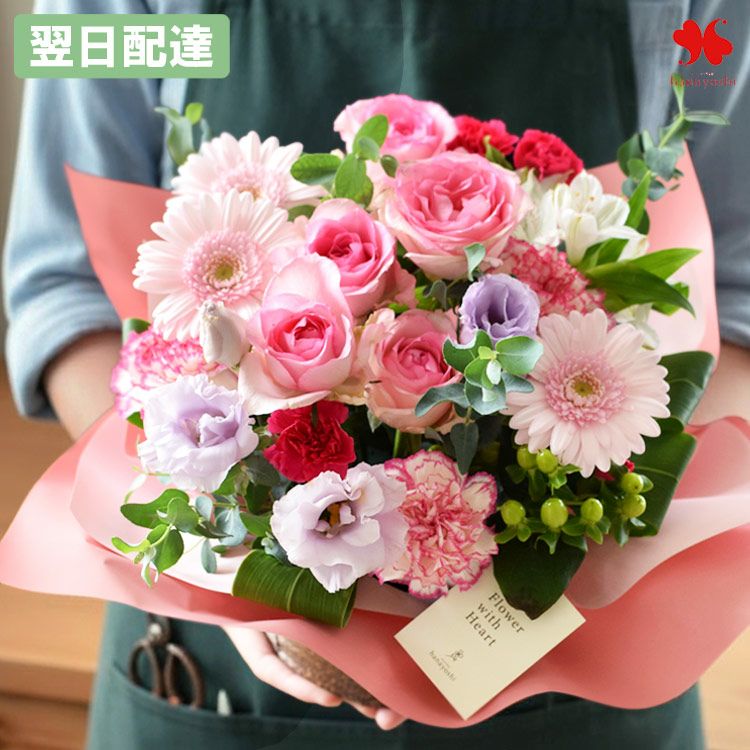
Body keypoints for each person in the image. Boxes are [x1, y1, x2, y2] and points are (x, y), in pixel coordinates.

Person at [4, 0, 749, 748]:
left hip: (572, 661)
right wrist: (221, 560)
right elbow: (60, 293)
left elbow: (739, 306)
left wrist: (584, 552)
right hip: (212, 674)